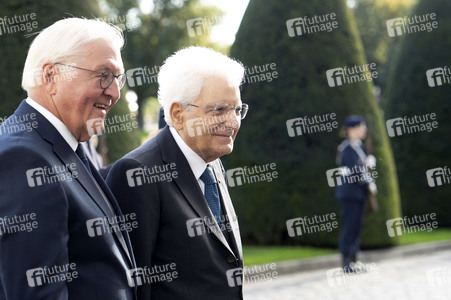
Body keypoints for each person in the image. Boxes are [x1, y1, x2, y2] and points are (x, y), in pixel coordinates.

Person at [0, 18, 136, 299]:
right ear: (50, 77)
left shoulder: (71, 144)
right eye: (103, 75)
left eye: (117, 78)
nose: (114, 92)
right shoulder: (24, 157)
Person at [106, 46, 248, 299]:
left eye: (237, 110)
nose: (233, 122)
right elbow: (134, 286)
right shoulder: (137, 174)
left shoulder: (212, 162)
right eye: (219, 110)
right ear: (177, 114)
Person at [335, 115, 377, 272]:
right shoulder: (346, 148)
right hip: (349, 193)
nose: (364, 129)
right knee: (349, 227)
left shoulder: (358, 147)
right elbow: (354, 172)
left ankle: (354, 260)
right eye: (361, 126)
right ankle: (346, 262)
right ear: (352, 129)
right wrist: (369, 182)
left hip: (358, 193)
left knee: (357, 227)